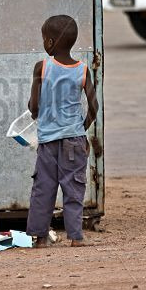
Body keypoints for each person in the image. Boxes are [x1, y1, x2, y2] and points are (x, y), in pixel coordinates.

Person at [26, 15, 99, 248]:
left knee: (43, 190)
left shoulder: (42, 67)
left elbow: (34, 107)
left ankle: (40, 239)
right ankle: (76, 238)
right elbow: (94, 108)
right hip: (74, 142)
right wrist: (80, 129)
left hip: (48, 143)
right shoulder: (84, 70)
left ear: (50, 42)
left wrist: (36, 113)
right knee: (74, 188)